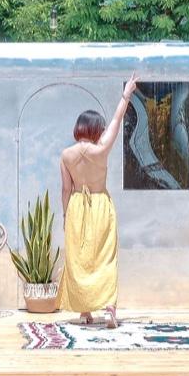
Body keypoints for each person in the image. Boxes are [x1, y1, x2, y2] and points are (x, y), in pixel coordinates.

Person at [57, 74, 139, 328]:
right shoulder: (101, 150)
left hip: (76, 207)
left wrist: (65, 216)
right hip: (100, 204)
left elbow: (66, 189)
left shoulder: (66, 155)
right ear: (96, 130)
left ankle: (85, 312)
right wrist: (126, 95)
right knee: (105, 258)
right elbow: (117, 120)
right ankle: (110, 308)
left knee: (80, 259)